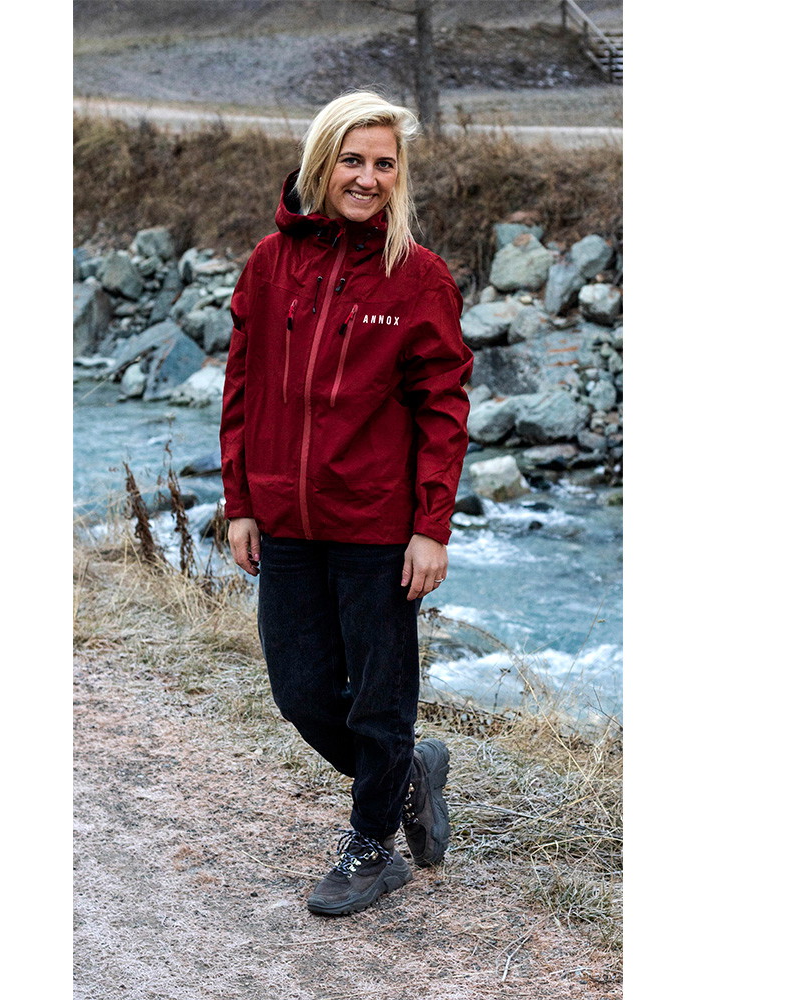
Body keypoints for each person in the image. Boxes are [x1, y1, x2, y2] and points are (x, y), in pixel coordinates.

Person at [220, 90, 473, 917]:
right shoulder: (269, 263)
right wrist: (241, 501)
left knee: (378, 698)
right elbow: (243, 386)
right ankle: (408, 773)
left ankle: (373, 847)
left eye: (384, 164)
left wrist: (430, 527)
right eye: (352, 160)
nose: (367, 178)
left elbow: (443, 409)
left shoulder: (419, 276)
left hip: (376, 525)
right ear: (321, 162)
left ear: (400, 176)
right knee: (300, 692)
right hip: (286, 519)